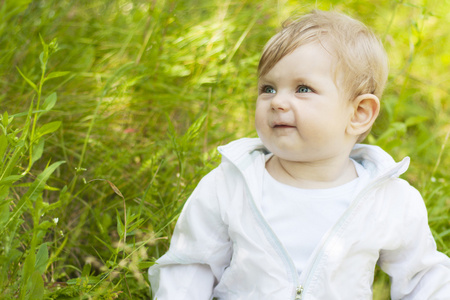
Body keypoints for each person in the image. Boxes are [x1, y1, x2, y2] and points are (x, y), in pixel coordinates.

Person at [148, 9, 450, 299]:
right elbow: (189, 269)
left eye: (303, 89)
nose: (277, 101)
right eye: (267, 88)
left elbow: (424, 279)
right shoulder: (230, 185)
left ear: (359, 113)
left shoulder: (388, 199)